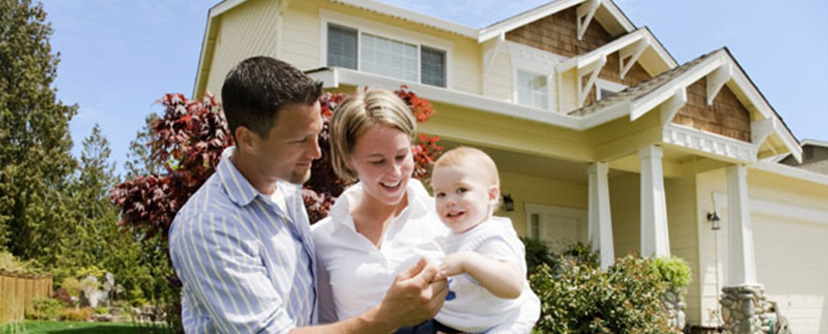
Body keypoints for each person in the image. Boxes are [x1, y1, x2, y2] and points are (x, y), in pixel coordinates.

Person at [168, 56, 447, 334]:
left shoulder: (285, 190)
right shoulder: (208, 227)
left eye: (316, 135)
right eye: (300, 140)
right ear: (248, 139)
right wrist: (386, 318)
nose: (316, 152)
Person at [312, 90, 539, 333]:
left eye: (402, 156)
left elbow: (522, 305)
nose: (395, 173)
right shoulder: (322, 239)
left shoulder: (453, 218)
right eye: (378, 161)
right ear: (349, 159)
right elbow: (325, 324)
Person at [429, 147, 531, 333]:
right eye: (440, 194)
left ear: (491, 196)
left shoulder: (491, 236)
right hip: (450, 321)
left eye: (461, 190)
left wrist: (468, 261)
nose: (449, 201)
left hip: (485, 327)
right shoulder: (456, 235)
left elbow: (513, 285)